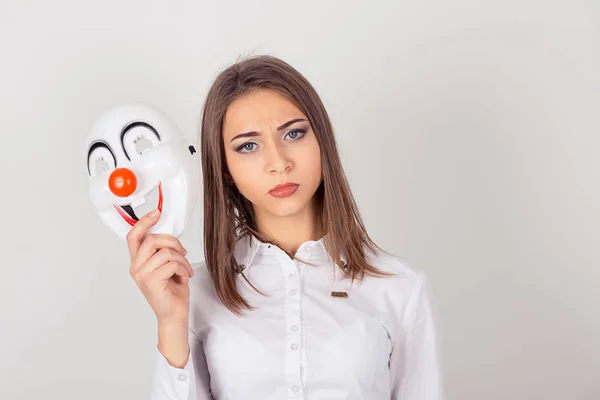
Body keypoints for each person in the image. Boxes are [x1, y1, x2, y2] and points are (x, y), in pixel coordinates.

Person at [127, 55, 444, 400]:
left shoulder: (400, 289)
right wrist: (171, 323)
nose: (278, 163)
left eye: (293, 133)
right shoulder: (196, 294)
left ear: (322, 140)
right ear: (225, 168)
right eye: (248, 146)